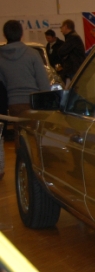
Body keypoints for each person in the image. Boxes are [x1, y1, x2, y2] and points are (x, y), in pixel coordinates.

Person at [0, 20, 51, 180]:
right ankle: (38, 173)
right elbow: (43, 83)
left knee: (20, 138)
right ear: (21, 34)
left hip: (14, 104)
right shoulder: (32, 54)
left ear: (5, 35)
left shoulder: (1, 57)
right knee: (35, 138)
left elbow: (2, 84)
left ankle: (23, 169)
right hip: (33, 102)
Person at [58, 19, 86, 86]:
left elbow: (61, 51)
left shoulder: (72, 38)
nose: (61, 30)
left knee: (76, 87)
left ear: (66, 26)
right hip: (74, 68)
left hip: (74, 68)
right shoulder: (73, 37)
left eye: (62, 27)